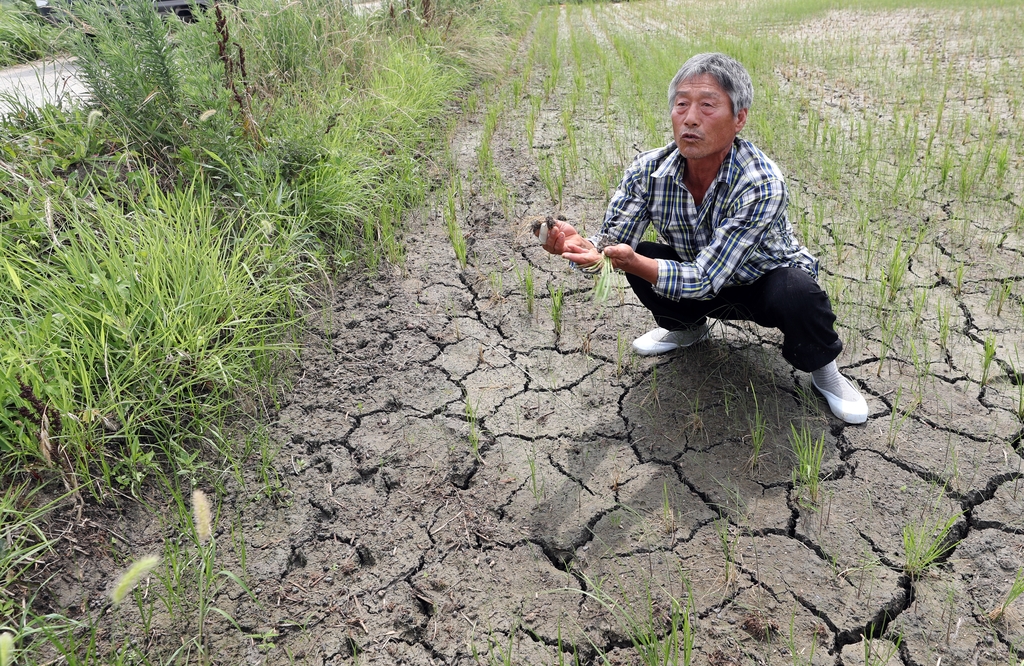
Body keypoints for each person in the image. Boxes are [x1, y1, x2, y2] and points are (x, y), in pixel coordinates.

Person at [539, 52, 868, 425]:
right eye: (682, 104)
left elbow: (706, 278)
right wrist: (582, 250)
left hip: (760, 285)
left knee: (798, 291)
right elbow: (609, 247)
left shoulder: (761, 183)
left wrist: (631, 261)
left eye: (707, 106)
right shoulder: (648, 171)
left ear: (739, 118)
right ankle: (688, 330)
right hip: (696, 275)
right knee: (640, 253)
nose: (690, 118)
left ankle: (825, 373)